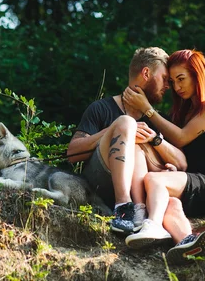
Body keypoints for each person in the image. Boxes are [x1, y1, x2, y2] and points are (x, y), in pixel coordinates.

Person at [122, 49, 205, 264]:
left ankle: (152, 225)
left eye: (182, 79)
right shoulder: (184, 111)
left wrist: (148, 110)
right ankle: (188, 242)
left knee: (153, 180)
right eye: (172, 81)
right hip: (186, 180)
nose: (177, 87)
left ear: (198, 74)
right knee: (168, 203)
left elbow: (180, 138)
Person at [67, 47, 187, 234]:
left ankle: (184, 242)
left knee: (172, 202)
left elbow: (182, 163)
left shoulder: (155, 119)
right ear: (146, 73)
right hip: (101, 182)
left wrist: (156, 144)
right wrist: (116, 130)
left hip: (142, 196)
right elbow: (73, 154)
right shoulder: (101, 108)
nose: (168, 86)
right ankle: (123, 206)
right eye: (164, 79)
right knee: (126, 123)